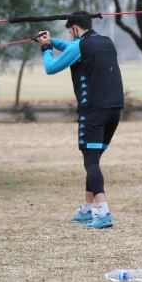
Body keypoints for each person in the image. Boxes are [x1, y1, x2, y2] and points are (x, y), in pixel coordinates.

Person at [33, 12, 124, 229]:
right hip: (115, 109)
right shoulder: (105, 42)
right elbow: (75, 49)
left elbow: (51, 68)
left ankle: (102, 212)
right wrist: (52, 40)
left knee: (90, 162)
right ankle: (86, 209)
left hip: (93, 111)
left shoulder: (78, 46)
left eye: (70, 33)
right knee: (93, 159)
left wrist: (45, 48)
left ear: (74, 28)